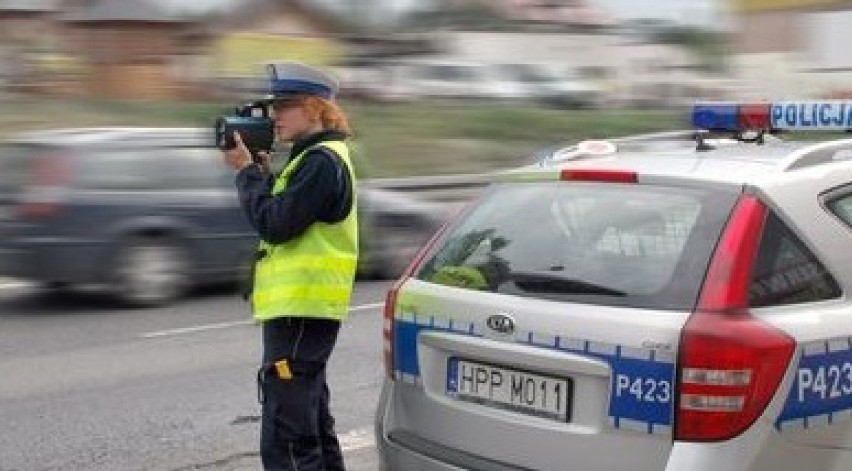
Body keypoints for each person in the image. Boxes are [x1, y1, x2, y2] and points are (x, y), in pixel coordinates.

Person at [221, 61, 358, 471]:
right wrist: (261, 172)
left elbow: (276, 224)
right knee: (310, 422)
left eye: (285, 106)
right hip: (301, 312)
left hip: (302, 312)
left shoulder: (320, 161)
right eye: (273, 105)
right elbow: (284, 215)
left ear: (316, 108)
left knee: (289, 438)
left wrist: (246, 173)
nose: (275, 115)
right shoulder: (312, 158)